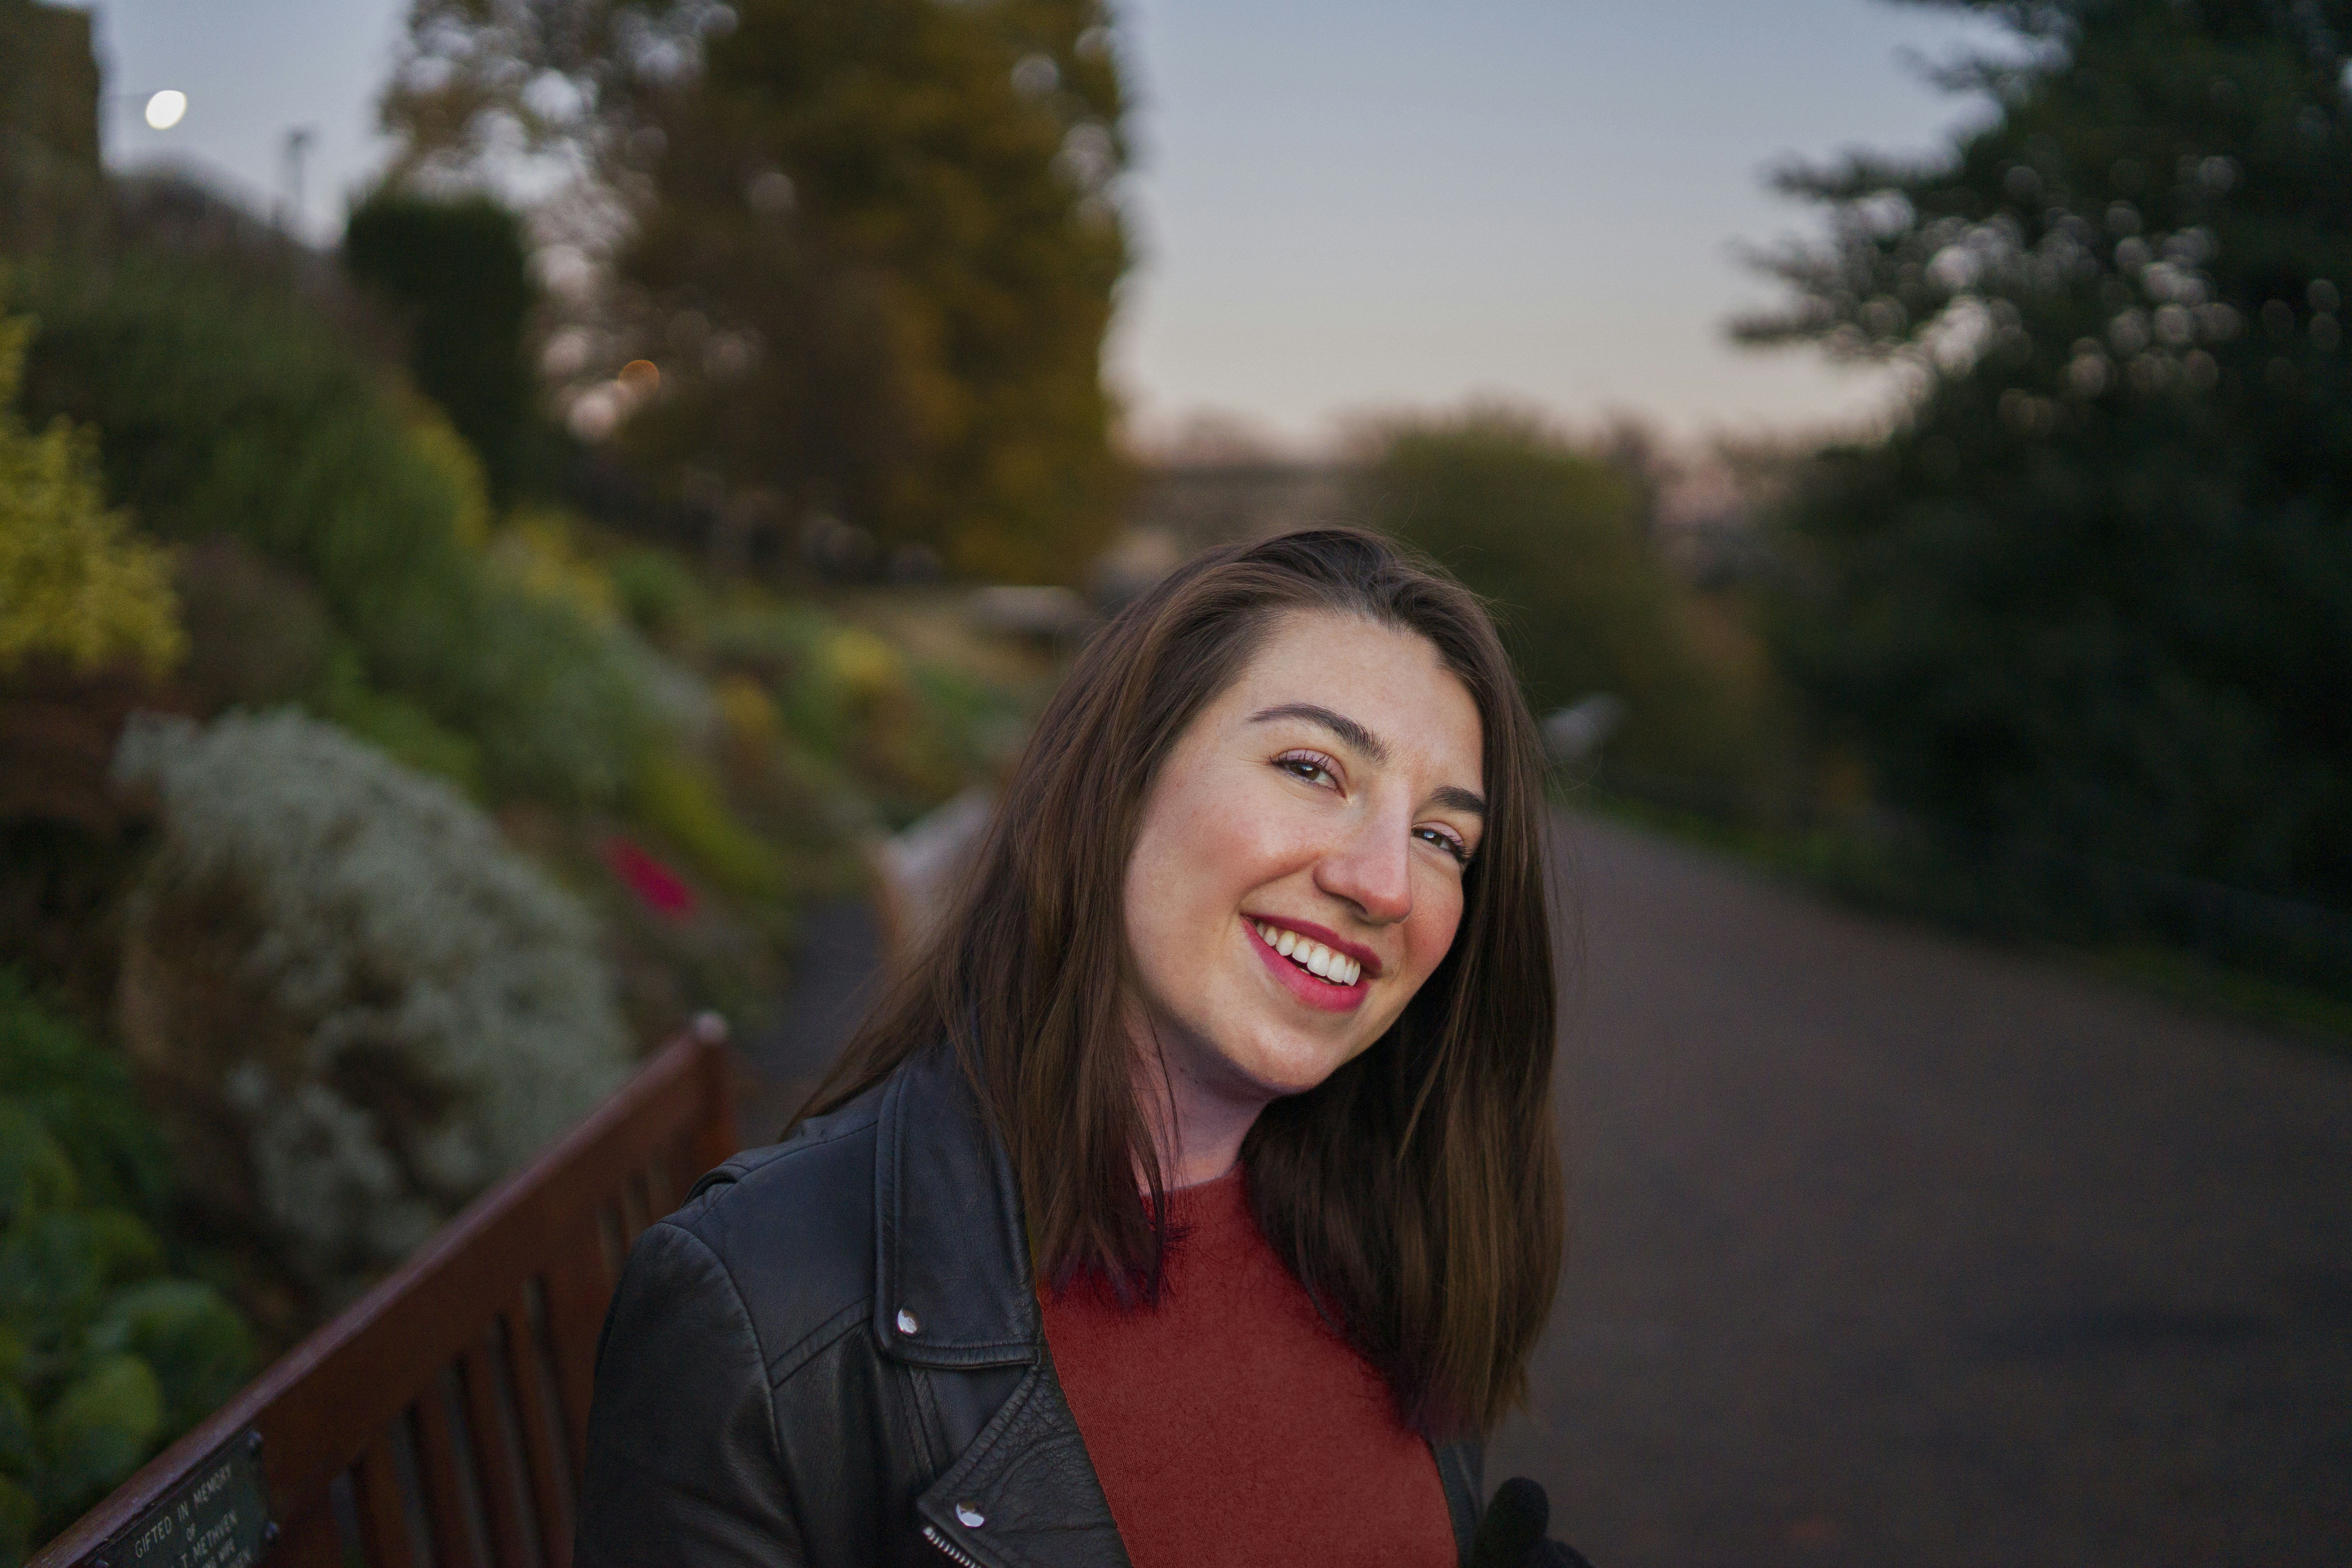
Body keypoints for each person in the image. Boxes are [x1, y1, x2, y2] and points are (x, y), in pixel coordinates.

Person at [577, 528, 1586, 1567]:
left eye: (1440, 838)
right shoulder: (760, 1309)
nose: (1384, 883)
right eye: (1313, 769)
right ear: (1123, 779)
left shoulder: (1405, 1234)